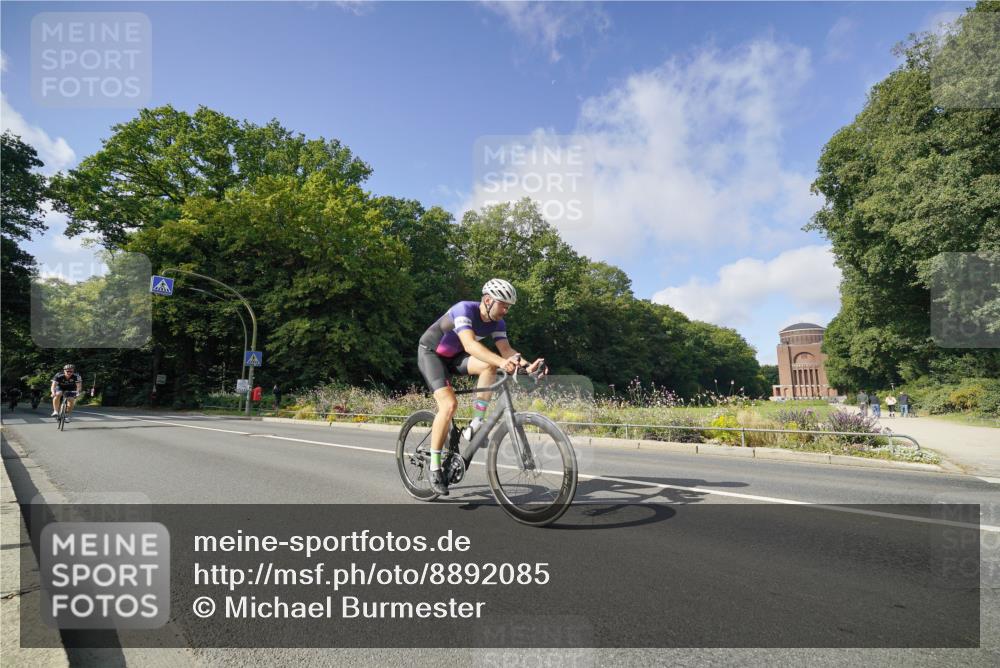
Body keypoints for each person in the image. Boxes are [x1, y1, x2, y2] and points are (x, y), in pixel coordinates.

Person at [417, 279, 545, 496]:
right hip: (431, 354)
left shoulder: (498, 322)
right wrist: (503, 362)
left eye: (508, 306)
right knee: (449, 406)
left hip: (454, 357)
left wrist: (526, 366)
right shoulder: (464, 309)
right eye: (503, 305)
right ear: (487, 300)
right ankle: (435, 468)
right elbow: (469, 345)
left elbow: (506, 350)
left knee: (489, 366)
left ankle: (475, 424)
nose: (506, 310)